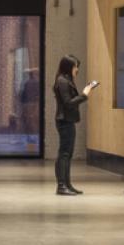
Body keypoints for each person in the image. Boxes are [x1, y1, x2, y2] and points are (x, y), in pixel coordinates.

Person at [52, 52, 98, 195]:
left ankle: (67, 184)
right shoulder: (63, 81)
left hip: (67, 120)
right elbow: (68, 103)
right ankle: (62, 186)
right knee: (64, 154)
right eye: (75, 67)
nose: (77, 70)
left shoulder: (65, 80)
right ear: (68, 67)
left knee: (67, 153)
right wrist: (85, 94)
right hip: (64, 120)